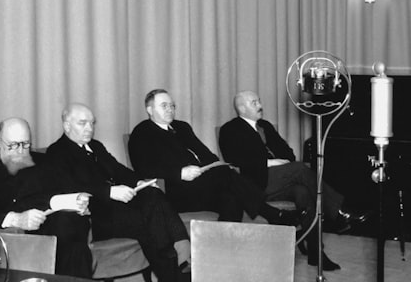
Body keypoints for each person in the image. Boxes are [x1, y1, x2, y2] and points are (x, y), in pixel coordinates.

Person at [46, 103, 191, 282]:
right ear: (67, 126)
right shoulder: (56, 152)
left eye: (92, 123)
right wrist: (109, 191)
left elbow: (118, 169)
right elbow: (70, 188)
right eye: (82, 123)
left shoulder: (95, 146)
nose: (89, 128)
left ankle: (172, 270)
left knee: (153, 195)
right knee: (148, 220)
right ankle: (175, 264)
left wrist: (139, 182)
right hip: (93, 217)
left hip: (116, 209)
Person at [219, 90, 365, 271]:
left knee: (302, 192)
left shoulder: (265, 126)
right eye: (254, 103)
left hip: (278, 180)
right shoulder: (230, 129)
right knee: (300, 169)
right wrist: (270, 162)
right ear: (241, 108)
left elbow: (288, 153)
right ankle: (338, 212)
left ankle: (315, 252)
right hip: (254, 184)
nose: (260, 106)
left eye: (259, 101)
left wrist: (282, 162)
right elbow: (235, 160)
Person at [128, 89, 300, 227]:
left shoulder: (182, 127)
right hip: (176, 189)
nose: (170, 109)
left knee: (231, 197)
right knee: (225, 176)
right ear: (150, 110)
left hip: (203, 185)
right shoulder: (142, 133)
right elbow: (143, 168)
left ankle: (223, 254)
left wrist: (216, 165)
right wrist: (179, 172)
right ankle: (272, 214)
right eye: (164, 106)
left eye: (172, 105)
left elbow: (207, 155)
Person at [0, 117, 95, 279]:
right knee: (71, 241)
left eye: (25, 144)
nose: (20, 151)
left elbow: (67, 191)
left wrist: (79, 204)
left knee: (70, 226)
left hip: (54, 226)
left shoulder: (45, 162)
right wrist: (16, 219)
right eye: (12, 145)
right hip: (12, 236)